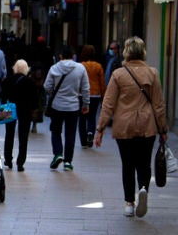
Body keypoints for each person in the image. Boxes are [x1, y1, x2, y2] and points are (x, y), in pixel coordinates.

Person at [95, 36, 168, 218]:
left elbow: (108, 104)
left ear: (126, 52)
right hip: (147, 125)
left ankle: (129, 202)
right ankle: (143, 188)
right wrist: (163, 129)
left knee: (127, 164)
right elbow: (159, 105)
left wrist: (100, 129)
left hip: (124, 126)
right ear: (142, 52)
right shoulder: (152, 73)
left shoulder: (119, 74)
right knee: (144, 163)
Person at [44, 46, 90, 171]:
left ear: (60, 56)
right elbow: (85, 88)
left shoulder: (54, 68)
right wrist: (86, 104)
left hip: (56, 106)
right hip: (73, 106)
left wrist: (54, 93)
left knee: (56, 131)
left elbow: (47, 86)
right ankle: (68, 162)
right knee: (70, 134)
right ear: (73, 55)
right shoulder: (80, 68)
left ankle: (58, 153)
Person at [1, 59, 38, 172]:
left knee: (9, 134)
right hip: (25, 111)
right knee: (23, 137)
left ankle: (8, 159)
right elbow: (34, 99)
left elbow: (2, 96)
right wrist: (33, 109)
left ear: (15, 68)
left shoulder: (7, 80)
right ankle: (20, 162)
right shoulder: (30, 82)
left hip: (10, 109)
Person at [78, 45, 106, 148]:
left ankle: (83, 142)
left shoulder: (80, 66)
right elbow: (102, 82)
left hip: (82, 94)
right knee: (92, 116)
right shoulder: (98, 66)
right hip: (95, 94)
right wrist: (103, 95)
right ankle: (90, 133)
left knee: (82, 118)